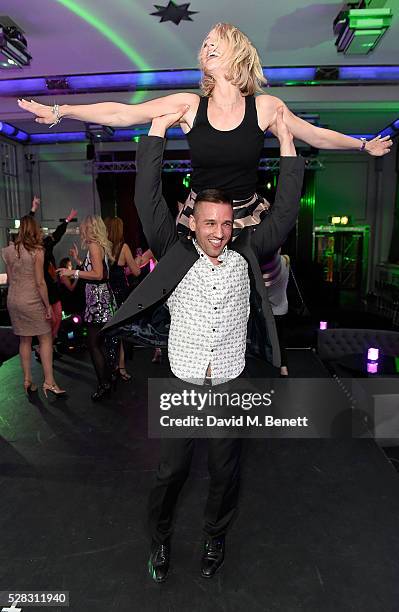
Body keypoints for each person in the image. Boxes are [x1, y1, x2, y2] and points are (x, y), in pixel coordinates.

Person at [103, 106, 304, 582]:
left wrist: (288, 142)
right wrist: (155, 131)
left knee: (224, 472)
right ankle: (160, 539)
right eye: (209, 223)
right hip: (183, 382)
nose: (217, 232)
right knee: (169, 474)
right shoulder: (174, 253)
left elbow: (285, 212)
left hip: (230, 385)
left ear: (234, 225)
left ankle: (215, 536)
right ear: (194, 222)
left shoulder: (245, 257)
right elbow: (147, 198)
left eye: (225, 224)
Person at [2, 216, 65, 397]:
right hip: (31, 300)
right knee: (45, 339)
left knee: (25, 341)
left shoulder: (8, 251)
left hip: (14, 300)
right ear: (34, 230)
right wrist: (47, 306)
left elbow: (10, 279)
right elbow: (40, 283)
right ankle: (49, 382)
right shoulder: (37, 251)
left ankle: (28, 380)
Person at [57, 215, 116, 401]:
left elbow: (98, 275)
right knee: (99, 342)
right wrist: (79, 261)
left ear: (90, 228)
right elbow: (96, 271)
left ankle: (104, 384)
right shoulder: (98, 246)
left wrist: (72, 271)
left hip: (98, 301)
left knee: (92, 343)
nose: (81, 230)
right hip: (101, 298)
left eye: (83, 227)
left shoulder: (93, 245)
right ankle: (109, 378)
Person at [29, 196, 78, 354]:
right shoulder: (32, 249)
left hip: (53, 286)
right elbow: (26, 227)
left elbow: (58, 233)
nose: (40, 232)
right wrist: (33, 210)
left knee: (58, 317)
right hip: (42, 288)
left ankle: (48, 345)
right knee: (50, 320)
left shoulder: (46, 243)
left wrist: (68, 220)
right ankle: (44, 347)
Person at [104, 216, 142, 381]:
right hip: (121, 295)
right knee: (121, 332)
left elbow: (111, 272)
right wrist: (138, 261)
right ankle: (121, 367)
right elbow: (136, 272)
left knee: (110, 332)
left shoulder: (103, 247)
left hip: (107, 294)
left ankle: (111, 367)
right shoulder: (123, 247)